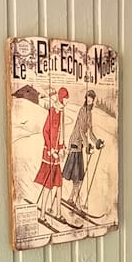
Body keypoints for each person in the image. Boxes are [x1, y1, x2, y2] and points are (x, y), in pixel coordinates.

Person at [62, 89, 103, 211]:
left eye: (91, 98)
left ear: (93, 100)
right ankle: (78, 202)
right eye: (88, 98)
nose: (89, 100)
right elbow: (80, 130)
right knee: (76, 177)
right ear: (86, 98)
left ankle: (71, 198)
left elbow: (90, 131)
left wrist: (96, 142)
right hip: (75, 143)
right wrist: (87, 145)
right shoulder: (82, 110)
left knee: (79, 176)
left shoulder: (89, 113)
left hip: (80, 145)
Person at [33, 87, 67, 220]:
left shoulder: (61, 114)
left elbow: (60, 134)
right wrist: (51, 149)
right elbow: (45, 131)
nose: (66, 102)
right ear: (61, 99)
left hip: (57, 155)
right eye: (65, 99)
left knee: (59, 184)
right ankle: (42, 215)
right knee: (48, 185)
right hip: (49, 155)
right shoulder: (52, 112)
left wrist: (61, 148)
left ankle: (58, 213)